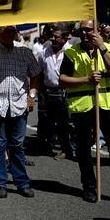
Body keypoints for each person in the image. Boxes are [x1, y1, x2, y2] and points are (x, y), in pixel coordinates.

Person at [59, 20, 110, 202]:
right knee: (83, 150)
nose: (86, 33)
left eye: (90, 29)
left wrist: (101, 47)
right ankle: (89, 187)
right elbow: (62, 79)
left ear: (98, 31)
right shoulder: (71, 52)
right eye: (83, 30)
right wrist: (86, 79)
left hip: (107, 105)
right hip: (83, 106)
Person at [0, 26, 41, 199]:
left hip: (19, 105)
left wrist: (31, 95)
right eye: (6, 31)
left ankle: (22, 183)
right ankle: (0, 184)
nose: (9, 35)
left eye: (12, 31)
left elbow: (35, 73)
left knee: (17, 146)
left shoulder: (24, 51)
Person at [36, 25, 73, 160]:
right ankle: (46, 145)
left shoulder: (71, 52)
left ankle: (66, 149)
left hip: (65, 92)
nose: (52, 39)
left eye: (56, 37)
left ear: (65, 37)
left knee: (64, 122)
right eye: (52, 36)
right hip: (46, 92)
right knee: (46, 120)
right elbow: (38, 73)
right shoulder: (43, 53)